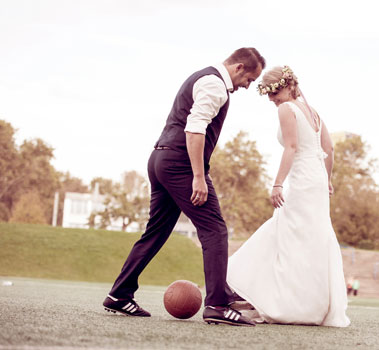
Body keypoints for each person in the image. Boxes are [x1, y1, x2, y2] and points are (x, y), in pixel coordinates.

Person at [102, 48, 265, 327]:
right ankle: (216, 304)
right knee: (214, 229)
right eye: (249, 79)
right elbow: (195, 129)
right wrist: (198, 177)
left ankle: (119, 294)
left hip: (160, 159)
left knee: (156, 232)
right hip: (180, 163)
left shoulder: (201, 76)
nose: (247, 86)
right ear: (239, 68)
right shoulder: (215, 85)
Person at [226, 66, 350, 327]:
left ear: (284, 87)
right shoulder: (314, 112)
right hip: (316, 180)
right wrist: (327, 179)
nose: (272, 100)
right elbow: (329, 148)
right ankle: (302, 305)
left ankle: (268, 295)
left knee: (288, 235)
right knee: (309, 239)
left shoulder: (287, 109)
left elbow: (291, 147)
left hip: (303, 179)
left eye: (273, 94)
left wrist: (278, 183)